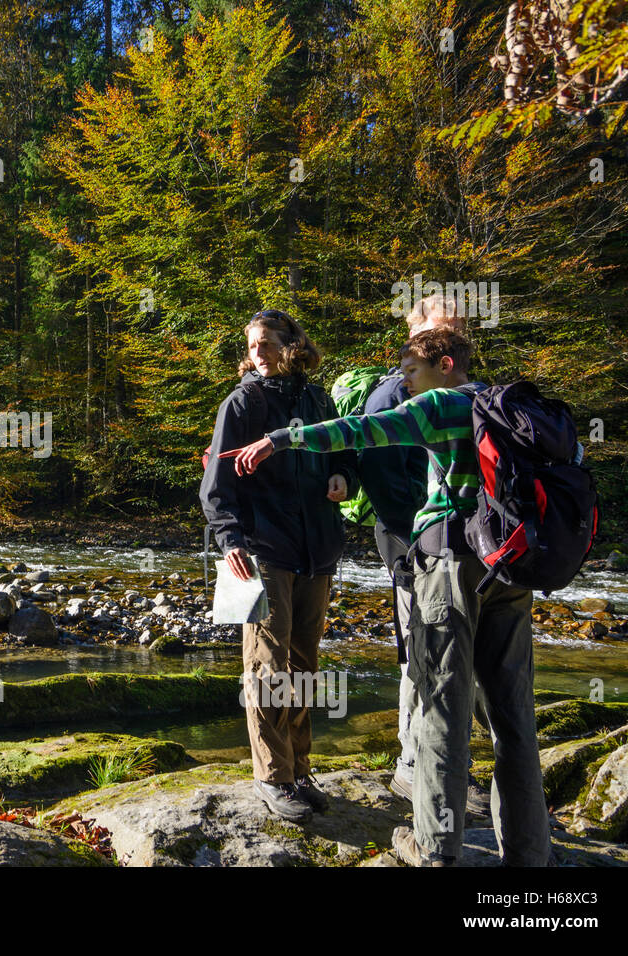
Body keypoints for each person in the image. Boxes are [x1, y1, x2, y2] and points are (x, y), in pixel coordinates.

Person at [223, 328, 550, 866]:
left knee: (442, 712)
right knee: (514, 719)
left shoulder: (442, 404)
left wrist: (279, 441)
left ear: (445, 365)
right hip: (511, 574)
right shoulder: (508, 406)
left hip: (451, 569)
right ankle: (530, 856)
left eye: (411, 372)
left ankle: (434, 847)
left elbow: (363, 430)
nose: (404, 382)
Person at [199, 309, 358, 823]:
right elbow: (215, 484)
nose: (256, 354)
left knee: (306, 666)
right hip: (264, 549)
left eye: (265, 343)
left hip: (319, 549)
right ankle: (272, 775)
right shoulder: (243, 402)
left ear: (293, 345)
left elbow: (345, 450)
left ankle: (300, 768)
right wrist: (229, 540)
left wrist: (342, 477)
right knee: (267, 666)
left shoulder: (318, 398)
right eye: (251, 346)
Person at [360, 294, 493, 817]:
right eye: (445, 324)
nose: (456, 334)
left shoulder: (459, 389)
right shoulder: (401, 387)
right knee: (422, 652)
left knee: (451, 652)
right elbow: (373, 459)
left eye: (461, 325)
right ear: (418, 329)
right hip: (416, 541)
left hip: (460, 544)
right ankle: (413, 765)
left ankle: (443, 760)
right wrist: (415, 531)